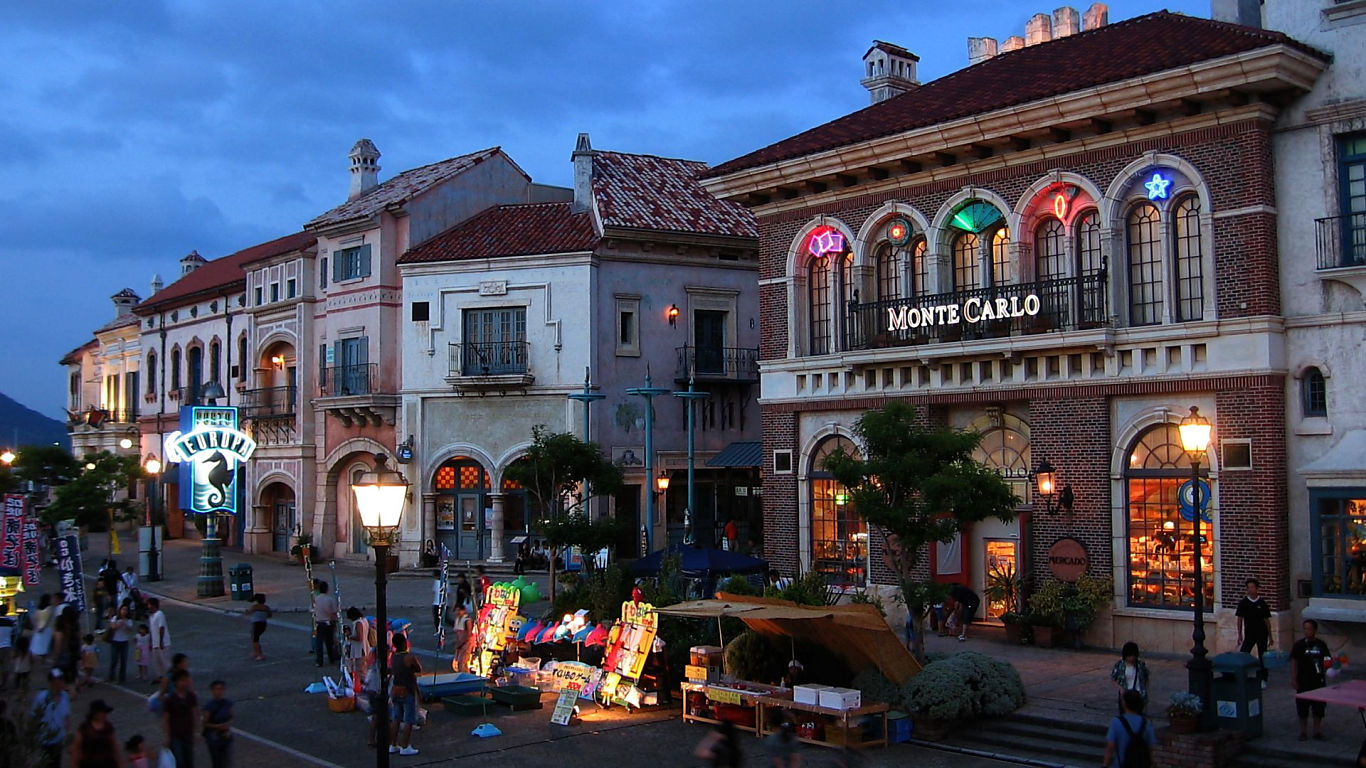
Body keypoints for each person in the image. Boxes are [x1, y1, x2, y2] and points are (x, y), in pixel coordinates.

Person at [1291, 618, 1332, 741]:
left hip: (1318, 680)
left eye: (1309, 628)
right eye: (1305, 628)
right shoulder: (1299, 645)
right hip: (1303, 680)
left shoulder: (1321, 645)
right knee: (1302, 707)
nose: (1306, 631)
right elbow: (1294, 662)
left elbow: (1327, 660)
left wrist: (1329, 668)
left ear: (1314, 630)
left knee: (1318, 707)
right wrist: (1294, 678)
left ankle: (1317, 731)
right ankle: (1303, 732)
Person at [1102, 689, 1155, 768]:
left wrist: (1105, 765)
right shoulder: (1147, 723)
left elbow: (1110, 747)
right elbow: (1151, 748)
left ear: (1124, 704)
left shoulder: (1116, 722)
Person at [388, 634, 422, 756]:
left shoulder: (393, 657)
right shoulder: (409, 657)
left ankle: (393, 744)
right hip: (407, 690)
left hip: (396, 689)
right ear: (403, 643)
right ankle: (405, 745)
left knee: (396, 718)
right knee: (409, 720)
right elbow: (418, 669)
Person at [33, 669, 73, 768]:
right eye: (59, 679)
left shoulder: (65, 696)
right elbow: (34, 718)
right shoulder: (41, 698)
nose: (62, 682)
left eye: (62, 679)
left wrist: (68, 737)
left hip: (58, 739)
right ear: (52, 682)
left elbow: (67, 718)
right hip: (44, 740)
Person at [1236, 577, 1272, 685]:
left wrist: (1270, 636)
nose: (1250, 590)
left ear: (1257, 589)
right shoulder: (1243, 603)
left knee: (1263, 656)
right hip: (1249, 633)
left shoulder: (1262, 603)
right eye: (1249, 588)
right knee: (1244, 654)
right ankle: (1242, 675)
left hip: (1262, 633)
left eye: (1252, 587)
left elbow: (1266, 620)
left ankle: (1262, 678)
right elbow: (1239, 618)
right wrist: (1239, 635)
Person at [70, 698, 123, 768]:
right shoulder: (84, 728)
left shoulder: (108, 727)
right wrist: (74, 765)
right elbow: (77, 748)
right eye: (102, 712)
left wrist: (120, 763)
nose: (104, 714)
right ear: (95, 714)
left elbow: (115, 746)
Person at [162, 669, 199, 767]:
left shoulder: (191, 696)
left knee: (189, 759)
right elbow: (166, 718)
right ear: (175, 682)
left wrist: (196, 732)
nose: (184, 683)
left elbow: (195, 714)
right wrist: (167, 736)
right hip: (175, 734)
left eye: (186, 680)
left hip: (188, 733)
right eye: (182, 680)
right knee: (179, 759)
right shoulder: (170, 699)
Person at [1109, 641, 1150, 714]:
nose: (1132, 658)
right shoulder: (1120, 665)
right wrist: (1120, 689)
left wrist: (1145, 690)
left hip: (1138, 694)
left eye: (1134, 655)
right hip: (1125, 695)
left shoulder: (1140, 665)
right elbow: (1113, 678)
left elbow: (1146, 677)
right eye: (1130, 656)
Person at [201, 680, 233, 768]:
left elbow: (232, 715)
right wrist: (218, 726)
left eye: (220, 689)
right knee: (217, 761)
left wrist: (228, 723)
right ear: (212, 691)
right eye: (216, 689)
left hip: (225, 735)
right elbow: (205, 723)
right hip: (213, 737)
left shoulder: (227, 703)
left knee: (226, 759)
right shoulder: (209, 706)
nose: (218, 691)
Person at [312, 581, 339, 667]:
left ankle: (319, 661)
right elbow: (333, 612)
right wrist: (335, 622)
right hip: (328, 622)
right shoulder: (329, 599)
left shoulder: (316, 599)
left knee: (319, 643)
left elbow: (313, 611)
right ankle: (331, 658)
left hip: (319, 622)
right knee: (329, 642)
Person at [107, 605, 134, 684]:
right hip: (115, 641)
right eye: (123, 609)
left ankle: (122, 678)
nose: (124, 611)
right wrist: (120, 623)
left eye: (126, 610)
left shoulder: (129, 620)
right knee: (114, 659)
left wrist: (125, 623)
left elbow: (130, 629)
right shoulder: (115, 618)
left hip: (124, 641)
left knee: (123, 660)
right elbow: (113, 627)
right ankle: (111, 677)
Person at [147, 598, 172, 682]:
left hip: (162, 642)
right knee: (157, 661)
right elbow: (151, 630)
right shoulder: (151, 616)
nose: (148, 606)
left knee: (165, 661)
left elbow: (161, 627)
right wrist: (151, 642)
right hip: (155, 643)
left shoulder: (159, 614)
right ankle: (160, 676)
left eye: (149, 604)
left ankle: (169, 677)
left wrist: (161, 641)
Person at [345, 607, 371, 686]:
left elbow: (359, 637)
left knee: (360, 670)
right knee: (364, 669)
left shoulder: (358, 623)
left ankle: (364, 686)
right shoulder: (364, 620)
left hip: (360, 650)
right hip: (365, 647)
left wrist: (349, 636)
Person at [245, 594, 272, 661]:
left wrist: (247, 612)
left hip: (256, 624)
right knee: (254, 637)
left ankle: (260, 654)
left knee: (255, 639)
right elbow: (269, 615)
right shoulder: (266, 607)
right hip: (263, 624)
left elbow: (248, 613)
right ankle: (255, 651)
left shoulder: (254, 607)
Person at [30, 593, 55, 663]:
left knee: (39, 644)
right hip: (45, 629)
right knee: (43, 645)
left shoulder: (38, 609)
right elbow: (47, 619)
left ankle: (40, 659)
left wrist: (36, 627)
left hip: (40, 628)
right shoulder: (49, 608)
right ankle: (42, 659)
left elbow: (34, 618)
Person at [451, 605, 472, 673]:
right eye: (457, 610)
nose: (457, 612)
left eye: (459, 610)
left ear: (464, 611)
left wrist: (462, 643)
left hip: (465, 643)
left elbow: (469, 634)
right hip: (459, 643)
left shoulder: (467, 620)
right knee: (458, 662)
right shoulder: (457, 619)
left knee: (462, 663)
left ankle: (464, 676)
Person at [0, 602, 14, 689]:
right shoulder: (10, 622)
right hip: (7, 647)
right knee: (6, 666)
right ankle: (4, 684)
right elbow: (13, 633)